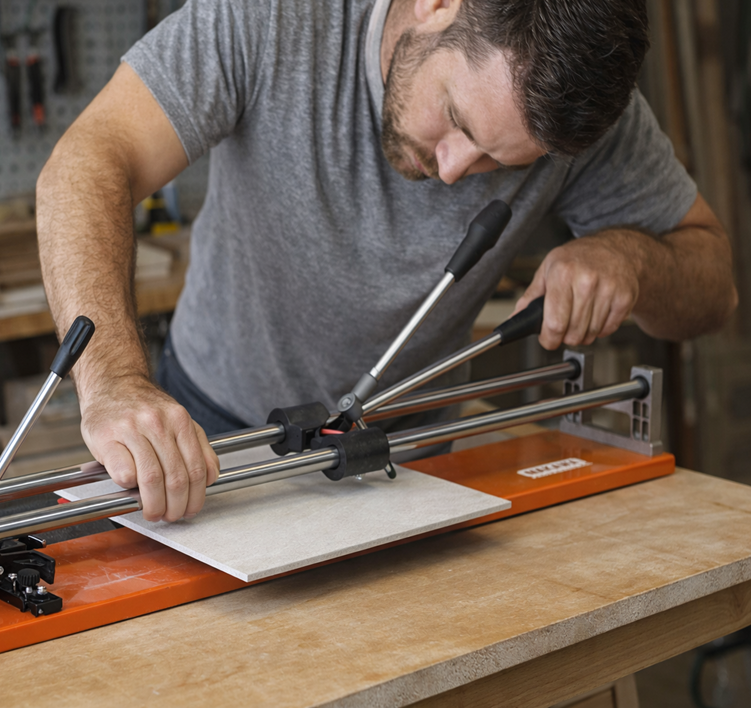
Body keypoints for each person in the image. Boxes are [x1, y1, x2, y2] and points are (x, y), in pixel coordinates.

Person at [36, 0, 738, 524]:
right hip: (207, 439)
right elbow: (89, 161)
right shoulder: (274, 17)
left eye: (502, 162)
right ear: (437, 5)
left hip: (417, 457)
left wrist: (631, 259)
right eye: (457, 119)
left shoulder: (579, 113)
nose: (455, 170)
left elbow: (715, 287)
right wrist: (114, 381)